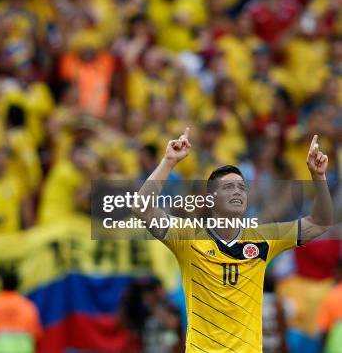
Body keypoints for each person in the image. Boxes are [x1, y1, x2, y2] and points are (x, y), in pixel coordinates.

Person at [132, 128, 334, 352]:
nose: (237, 192)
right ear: (210, 199)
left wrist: (318, 177)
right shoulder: (188, 238)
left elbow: (320, 222)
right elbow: (142, 209)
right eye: (228, 187)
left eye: (241, 187)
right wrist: (168, 162)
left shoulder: (264, 239)